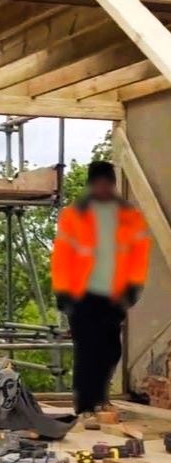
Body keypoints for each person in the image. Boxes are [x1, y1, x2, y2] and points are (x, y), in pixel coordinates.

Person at [51, 160, 150, 426]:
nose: (104, 188)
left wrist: (132, 290)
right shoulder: (75, 216)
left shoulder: (127, 216)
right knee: (87, 350)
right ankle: (86, 405)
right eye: (99, 183)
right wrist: (63, 297)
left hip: (112, 296)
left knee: (111, 349)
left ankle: (100, 397)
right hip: (81, 296)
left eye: (108, 183)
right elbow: (62, 258)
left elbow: (138, 255)